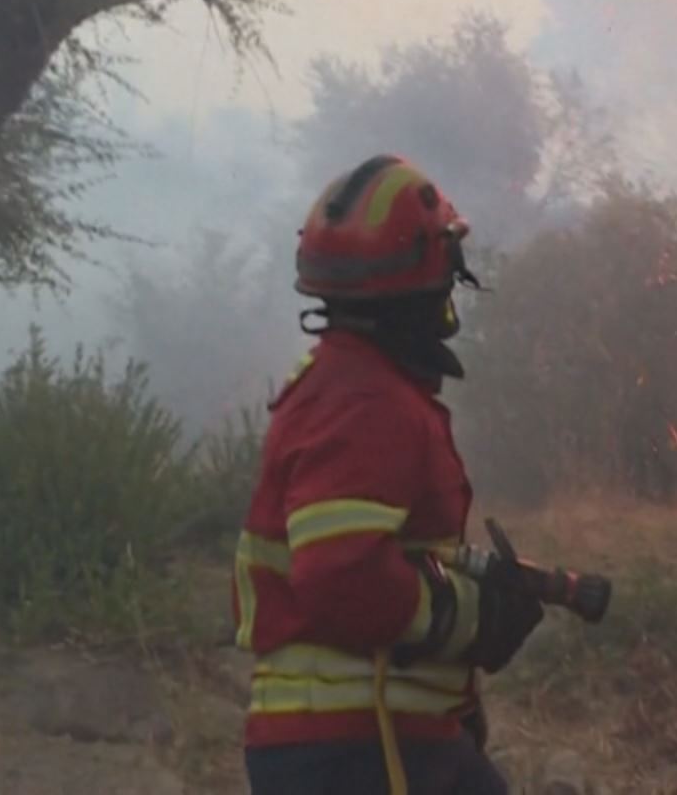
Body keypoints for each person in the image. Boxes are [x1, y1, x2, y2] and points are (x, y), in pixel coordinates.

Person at [233, 154, 544, 795]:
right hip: (354, 748)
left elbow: (386, 558)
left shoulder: (352, 387)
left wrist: (452, 692)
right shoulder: (365, 401)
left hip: (381, 737)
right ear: (426, 280)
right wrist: (471, 619)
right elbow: (341, 573)